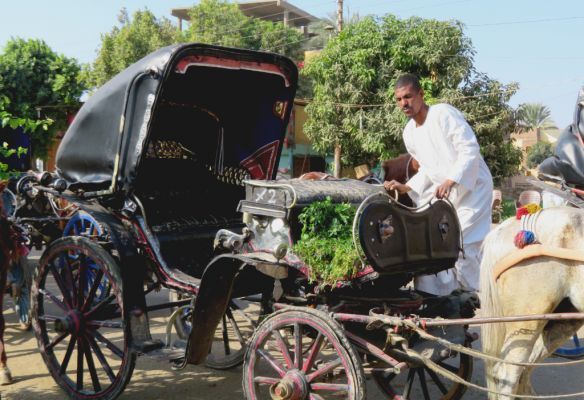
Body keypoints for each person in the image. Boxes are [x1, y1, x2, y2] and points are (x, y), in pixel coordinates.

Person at [385, 73, 493, 296]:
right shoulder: (409, 134)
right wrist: (407, 187)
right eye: (399, 99)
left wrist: (450, 180)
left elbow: (469, 149)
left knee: (463, 246)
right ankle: (442, 303)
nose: (404, 103)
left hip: (474, 189)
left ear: (421, 94)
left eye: (408, 97)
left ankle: (476, 300)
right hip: (447, 195)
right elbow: (428, 169)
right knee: (434, 249)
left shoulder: (443, 114)